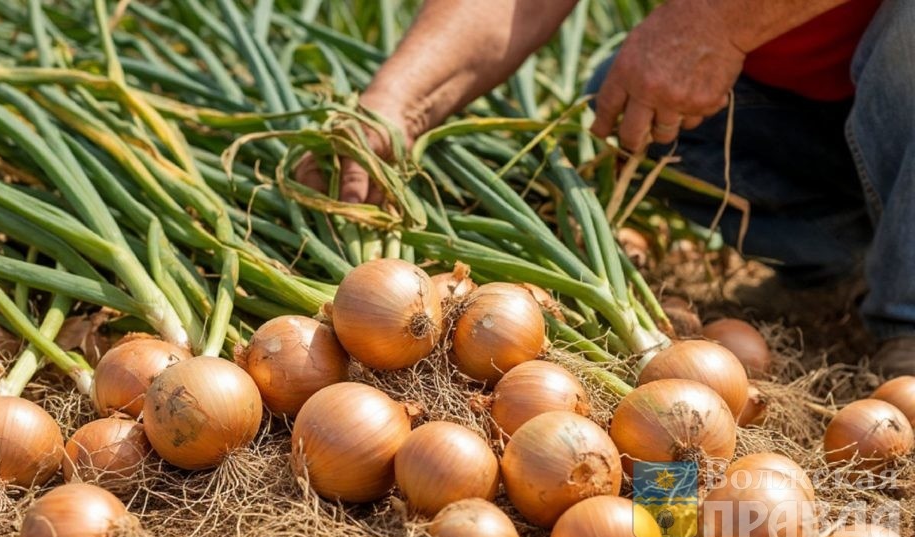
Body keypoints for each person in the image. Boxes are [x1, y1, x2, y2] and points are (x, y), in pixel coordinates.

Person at [296, 0, 915, 378]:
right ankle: (855, 254)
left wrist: (717, 20)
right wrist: (394, 107)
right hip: (822, 107)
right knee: (626, 108)